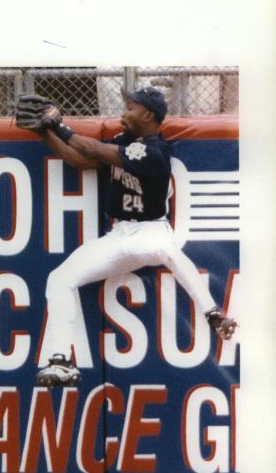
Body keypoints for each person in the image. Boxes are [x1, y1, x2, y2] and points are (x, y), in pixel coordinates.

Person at [27, 86, 238, 387]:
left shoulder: (155, 151)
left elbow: (91, 150)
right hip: (119, 234)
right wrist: (44, 133)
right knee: (60, 278)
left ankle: (213, 313)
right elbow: (82, 161)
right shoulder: (125, 141)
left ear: (148, 115)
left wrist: (58, 125)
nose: (124, 113)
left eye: (131, 108)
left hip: (152, 228)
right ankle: (60, 361)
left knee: (166, 251)